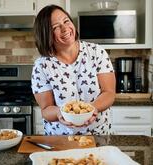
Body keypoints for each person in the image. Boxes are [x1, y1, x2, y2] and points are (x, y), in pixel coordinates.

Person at [31, 5, 116, 135]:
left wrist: (92, 109)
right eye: (55, 27)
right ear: (46, 34)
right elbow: (46, 109)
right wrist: (60, 113)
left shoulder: (97, 52)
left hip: (98, 135)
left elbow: (109, 92)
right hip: (60, 139)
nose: (65, 29)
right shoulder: (41, 66)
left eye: (66, 21)